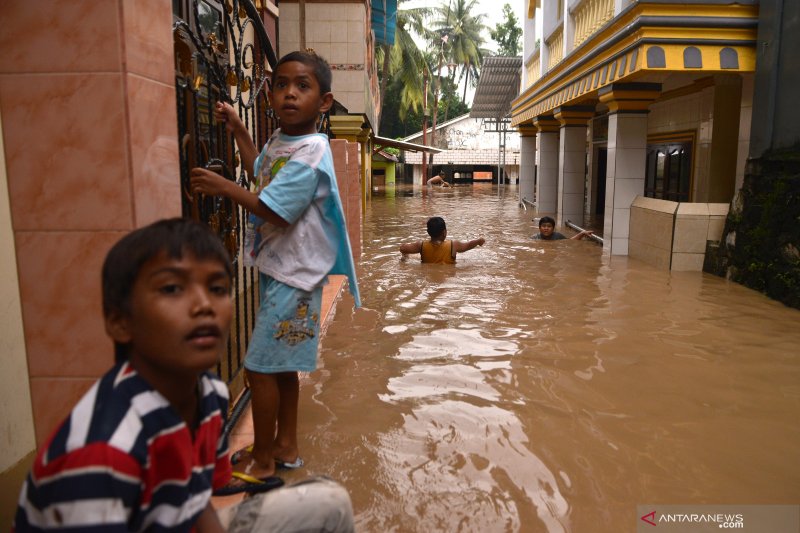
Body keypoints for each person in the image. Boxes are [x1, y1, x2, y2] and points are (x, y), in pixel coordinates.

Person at [13, 218, 355, 532]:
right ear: (120, 322)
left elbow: (195, 505)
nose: (204, 304)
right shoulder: (102, 455)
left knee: (330, 503)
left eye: (218, 289)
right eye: (172, 289)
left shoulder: (210, 395)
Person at [189, 50, 360, 494]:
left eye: (302, 86)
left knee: (259, 369)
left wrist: (223, 188)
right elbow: (262, 176)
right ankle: (284, 447)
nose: (289, 93)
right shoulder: (283, 143)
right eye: (282, 84)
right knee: (280, 369)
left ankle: (263, 461)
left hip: (295, 276)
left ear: (324, 102)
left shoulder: (310, 153)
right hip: (281, 269)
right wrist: (243, 133)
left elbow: (275, 211)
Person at [399, 216, 485, 264]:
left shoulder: (421, 245)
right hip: (448, 275)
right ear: (444, 232)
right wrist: (478, 241)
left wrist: (405, 255)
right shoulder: (453, 245)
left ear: (428, 232)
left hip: (429, 273)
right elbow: (468, 245)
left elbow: (402, 248)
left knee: (406, 256)